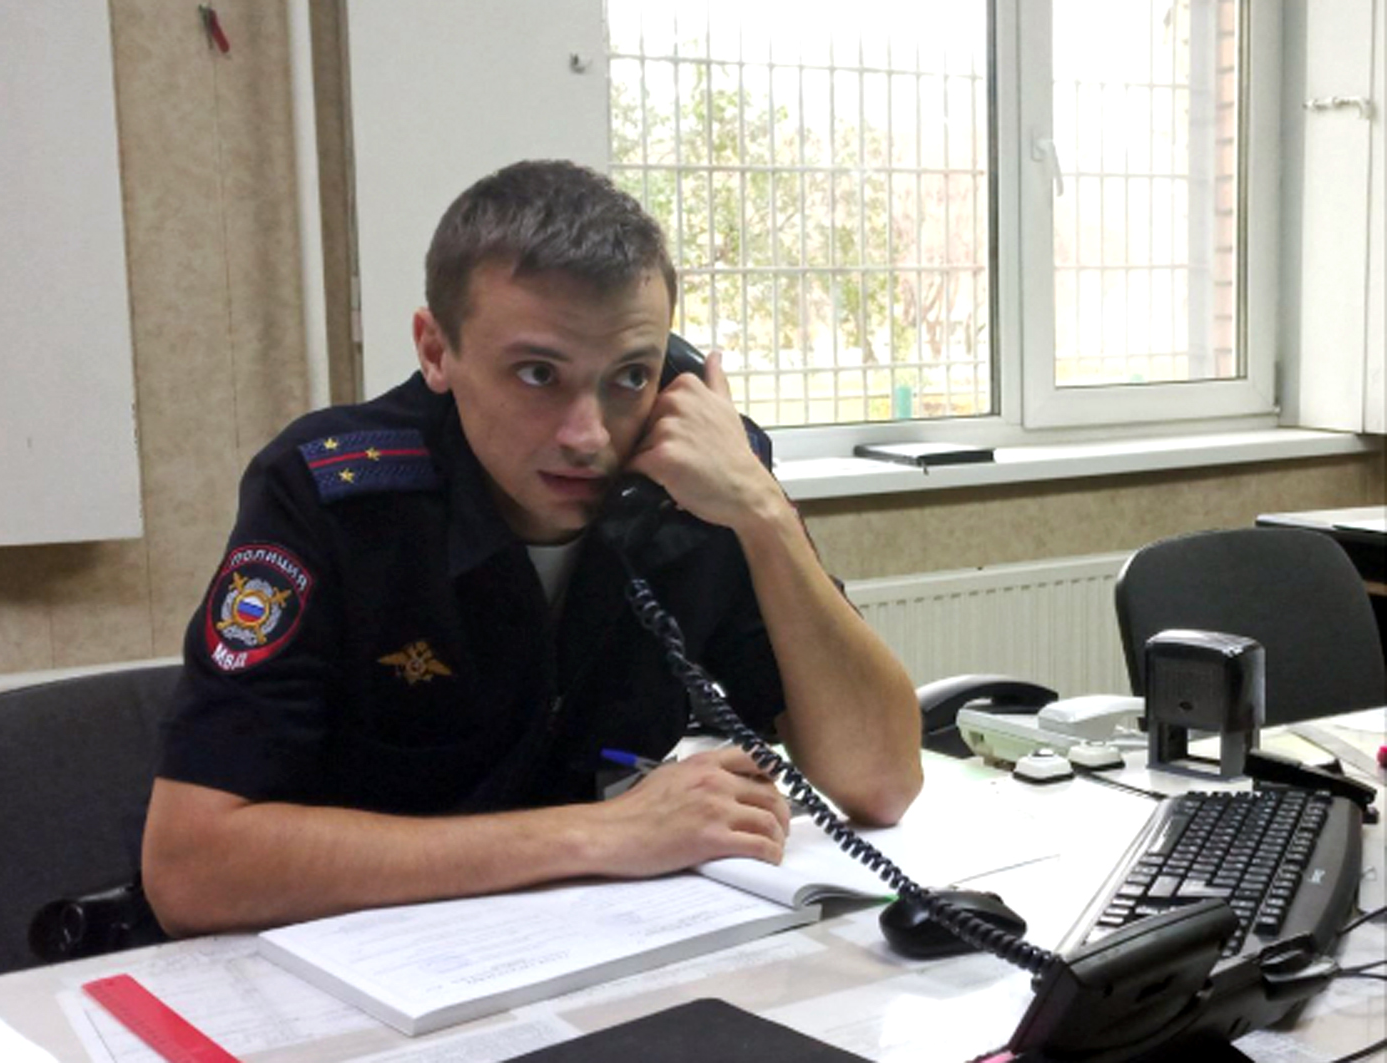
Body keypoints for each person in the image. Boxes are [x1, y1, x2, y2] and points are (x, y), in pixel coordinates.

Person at [141, 160, 922, 936]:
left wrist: (761, 511)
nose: (588, 437)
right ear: (436, 350)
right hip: (356, 968)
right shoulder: (334, 496)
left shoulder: (694, 484)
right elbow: (191, 867)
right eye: (537, 373)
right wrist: (603, 835)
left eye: (628, 376)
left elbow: (879, 782)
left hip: (592, 950)